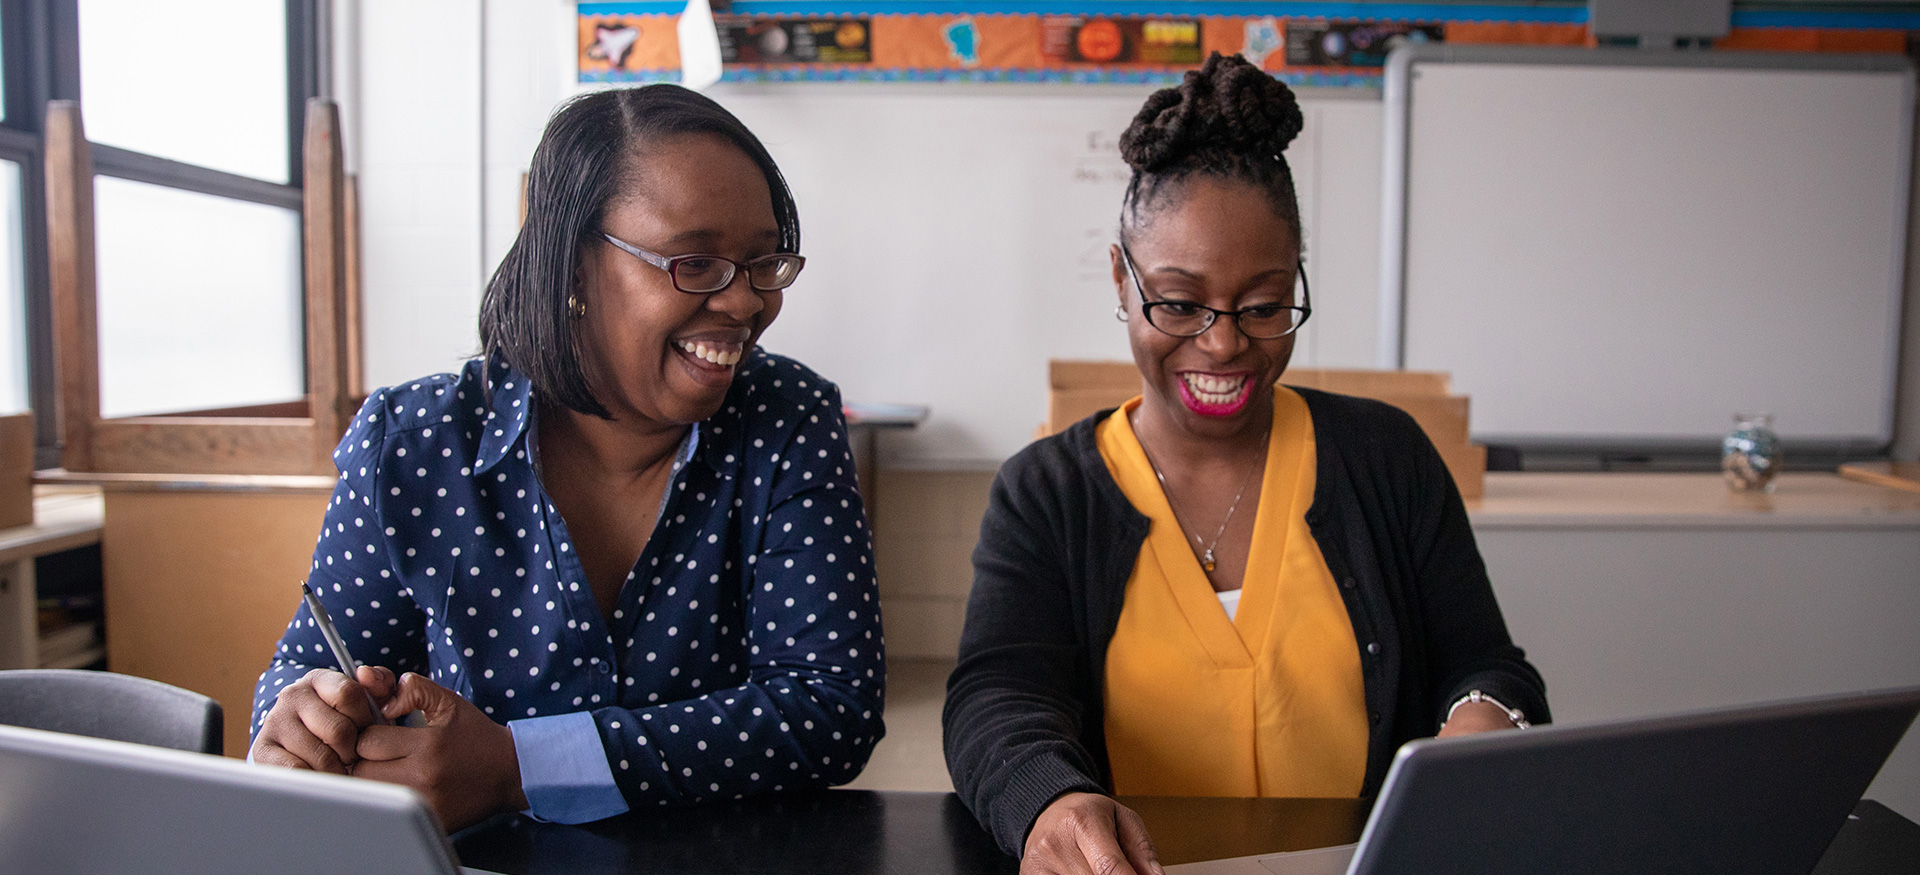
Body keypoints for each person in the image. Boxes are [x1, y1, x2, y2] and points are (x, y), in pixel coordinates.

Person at [943, 53, 1548, 874]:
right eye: (1180, 302)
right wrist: (1046, 795)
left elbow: (1487, 663)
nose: (1224, 343)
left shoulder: (1384, 457)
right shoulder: (1046, 491)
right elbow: (997, 695)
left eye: (1264, 304)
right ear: (1122, 279)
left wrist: (1485, 712)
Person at [248, 85, 885, 831]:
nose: (745, 302)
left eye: (762, 262)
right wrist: (300, 714)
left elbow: (831, 703)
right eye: (696, 262)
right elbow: (306, 666)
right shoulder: (414, 445)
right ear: (575, 263)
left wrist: (519, 766)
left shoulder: (787, 418)